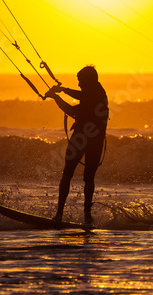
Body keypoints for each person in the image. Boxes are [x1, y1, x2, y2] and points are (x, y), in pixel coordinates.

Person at [45, 65, 109, 224]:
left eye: (80, 81)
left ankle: (63, 214)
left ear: (88, 82)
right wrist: (65, 90)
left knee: (71, 174)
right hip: (95, 140)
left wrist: (56, 97)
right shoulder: (98, 92)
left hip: (83, 138)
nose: (79, 84)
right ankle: (83, 216)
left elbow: (72, 111)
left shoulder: (95, 96)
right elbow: (82, 95)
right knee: (85, 177)